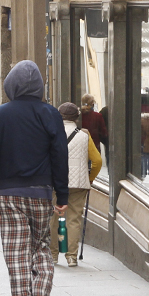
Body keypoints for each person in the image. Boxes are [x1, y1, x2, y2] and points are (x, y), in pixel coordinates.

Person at [0, 60, 69, 296]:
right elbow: (60, 156)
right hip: (41, 193)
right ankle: (41, 294)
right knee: (41, 244)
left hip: (10, 193)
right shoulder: (50, 114)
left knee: (17, 251)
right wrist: (61, 195)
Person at [50, 103, 101, 266]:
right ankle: (72, 256)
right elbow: (97, 161)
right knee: (74, 219)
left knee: (53, 218)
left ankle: (53, 255)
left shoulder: (50, 133)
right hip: (78, 183)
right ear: (77, 118)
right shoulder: (84, 135)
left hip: (54, 182)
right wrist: (89, 178)